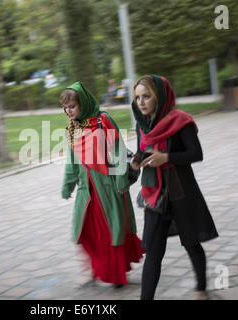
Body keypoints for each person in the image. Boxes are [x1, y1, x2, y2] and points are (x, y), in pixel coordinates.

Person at [130, 75, 219, 300]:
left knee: (191, 242)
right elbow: (143, 150)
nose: (141, 102)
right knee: (153, 252)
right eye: (138, 97)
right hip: (155, 195)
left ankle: (201, 288)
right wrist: (135, 163)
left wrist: (167, 157)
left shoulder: (180, 121)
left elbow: (196, 154)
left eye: (146, 96)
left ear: (160, 96)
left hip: (181, 193)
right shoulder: (143, 125)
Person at [61, 81, 145, 287]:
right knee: (86, 230)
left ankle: (116, 274)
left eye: (72, 106)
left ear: (83, 103)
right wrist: (67, 185)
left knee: (111, 229)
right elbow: (72, 161)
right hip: (86, 189)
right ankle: (96, 269)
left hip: (109, 186)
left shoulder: (103, 120)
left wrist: (121, 181)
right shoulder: (72, 128)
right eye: (65, 107)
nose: (68, 111)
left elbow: (118, 151)